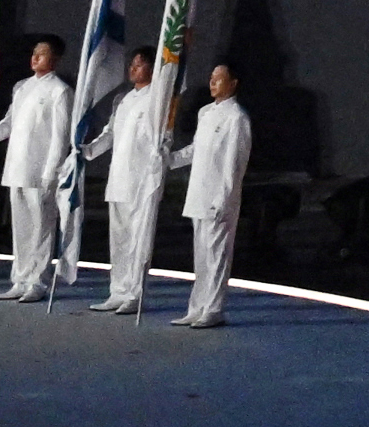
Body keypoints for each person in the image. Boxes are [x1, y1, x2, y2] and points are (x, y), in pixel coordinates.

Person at [93, 48, 174, 316]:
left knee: (139, 242)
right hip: (118, 180)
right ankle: (117, 291)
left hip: (142, 182)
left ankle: (134, 294)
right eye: (132, 64)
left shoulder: (158, 100)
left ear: (152, 68)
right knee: (119, 241)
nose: (132, 69)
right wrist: (85, 151)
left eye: (139, 65)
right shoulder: (124, 99)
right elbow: (109, 135)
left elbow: (165, 138)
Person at [0, 35, 75, 299]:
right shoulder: (21, 87)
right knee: (21, 229)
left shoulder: (60, 91)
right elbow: (9, 123)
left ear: (54, 59)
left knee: (41, 227)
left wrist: (51, 172)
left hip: (41, 170)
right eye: (34, 53)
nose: (35, 58)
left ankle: (37, 282)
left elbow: (60, 136)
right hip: (16, 166)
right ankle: (19, 279)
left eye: (41, 54)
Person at [179, 63, 251, 329]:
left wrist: (224, 198)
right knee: (200, 257)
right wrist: (168, 159)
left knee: (217, 255)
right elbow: (195, 150)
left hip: (219, 198)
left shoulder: (237, 118)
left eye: (219, 79)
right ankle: (196, 307)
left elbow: (235, 163)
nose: (213, 83)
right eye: (211, 79)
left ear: (233, 84)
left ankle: (214, 308)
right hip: (198, 194)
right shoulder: (205, 113)